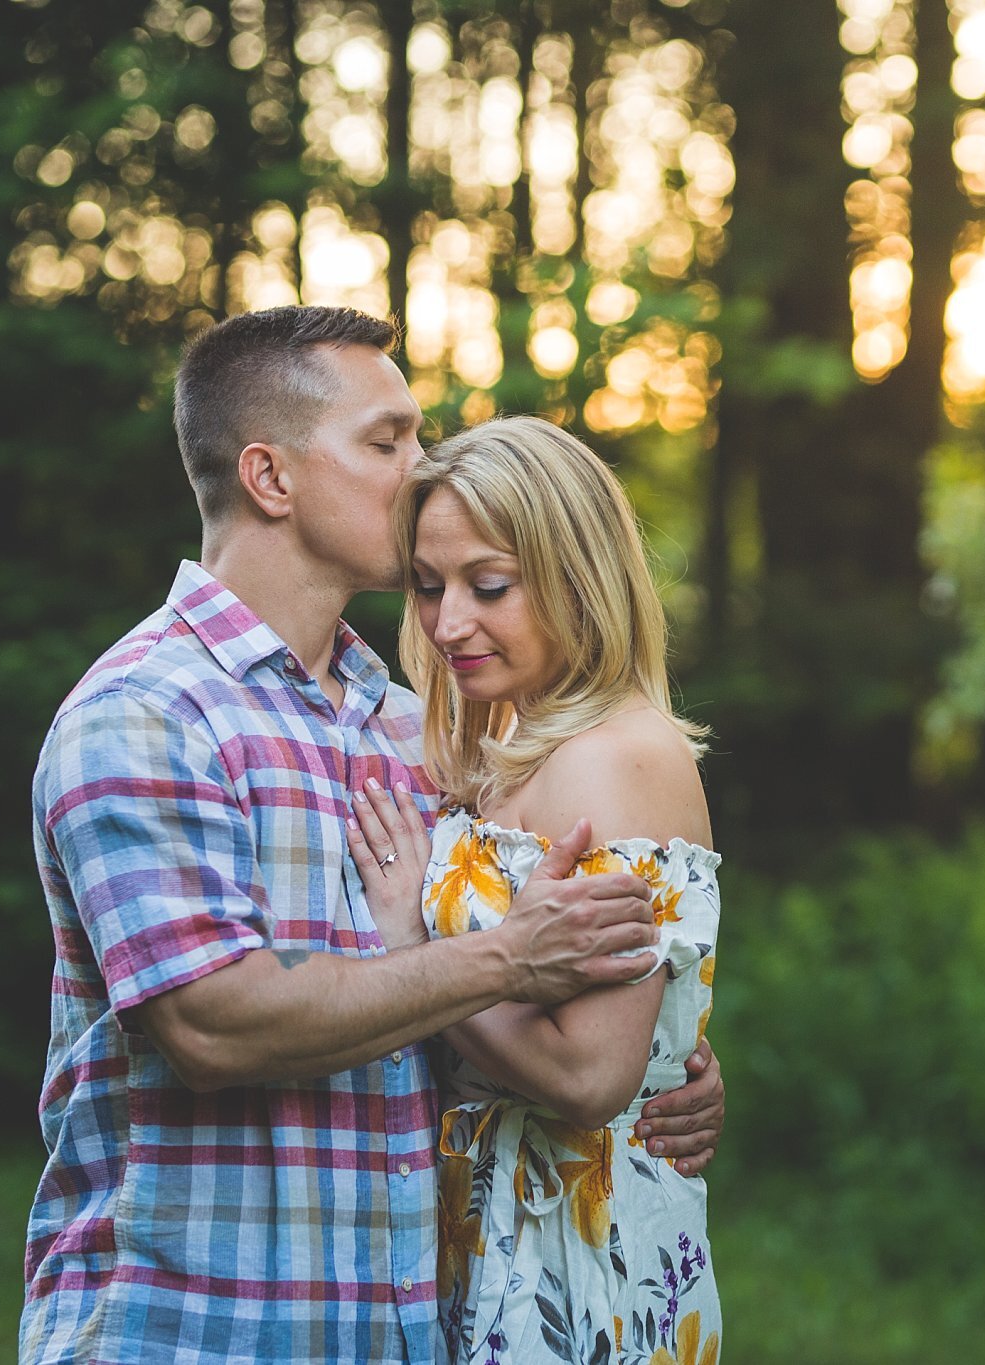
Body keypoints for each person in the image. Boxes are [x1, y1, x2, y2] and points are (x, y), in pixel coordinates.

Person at [21, 306, 724, 1365]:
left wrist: (667, 1069)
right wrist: (505, 960)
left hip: (401, 1327)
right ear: (270, 478)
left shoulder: (408, 727)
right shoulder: (145, 714)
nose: (421, 466)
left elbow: (497, 1023)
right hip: (192, 1332)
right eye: (387, 440)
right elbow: (214, 1026)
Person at [342, 417, 723, 1365]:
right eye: (429, 587)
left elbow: (593, 1077)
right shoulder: (508, 746)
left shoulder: (617, 761)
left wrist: (412, 953)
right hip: (489, 1219)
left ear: (576, 573)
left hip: (573, 1246)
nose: (447, 622)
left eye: (490, 585)